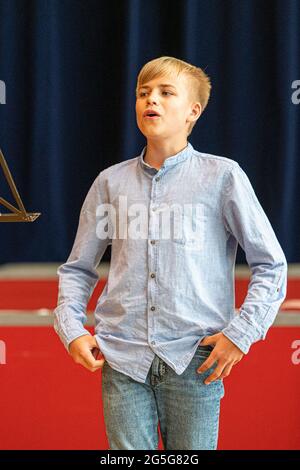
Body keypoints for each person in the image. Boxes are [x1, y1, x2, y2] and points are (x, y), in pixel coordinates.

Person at [53, 56, 287, 450]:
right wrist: (71, 327)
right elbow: (78, 268)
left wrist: (241, 334)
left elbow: (271, 265)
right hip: (122, 356)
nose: (151, 100)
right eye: (143, 93)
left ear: (193, 110)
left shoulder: (223, 177)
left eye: (165, 93)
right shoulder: (110, 182)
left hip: (196, 360)